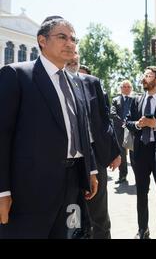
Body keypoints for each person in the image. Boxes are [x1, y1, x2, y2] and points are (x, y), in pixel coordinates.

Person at [0, 16, 98, 238]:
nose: (70, 43)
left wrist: (89, 170)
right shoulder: (17, 75)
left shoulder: (76, 82)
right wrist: (2, 191)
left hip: (73, 184)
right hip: (29, 191)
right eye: (62, 37)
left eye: (73, 39)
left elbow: (81, 129)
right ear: (42, 40)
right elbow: (2, 135)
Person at [66, 55, 121, 239]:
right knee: (72, 212)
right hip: (67, 157)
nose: (73, 59)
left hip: (95, 155)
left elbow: (105, 119)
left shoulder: (92, 82)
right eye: (69, 56)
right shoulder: (55, 83)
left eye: (76, 55)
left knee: (99, 212)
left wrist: (115, 152)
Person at [126, 66, 156, 239]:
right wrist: (138, 124)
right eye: (144, 75)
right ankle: (142, 229)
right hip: (140, 153)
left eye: (148, 75)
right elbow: (127, 123)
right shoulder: (136, 100)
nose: (144, 78)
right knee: (141, 192)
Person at [111, 80, 134, 184]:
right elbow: (112, 113)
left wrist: (130, 124)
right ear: (120, 88)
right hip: (120, 130)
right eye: (124, 86)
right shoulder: (115, 100)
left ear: (131, 88)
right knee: (122, 155)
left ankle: (139, 176)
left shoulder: (135, 99)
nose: (126, 88)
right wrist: (123, 123)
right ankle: (122, 176)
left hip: (133, 130)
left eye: (128, 86)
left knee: (135, 155)